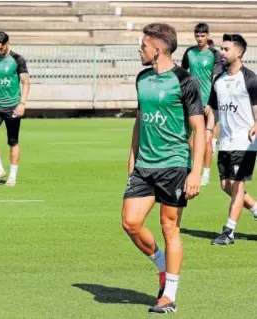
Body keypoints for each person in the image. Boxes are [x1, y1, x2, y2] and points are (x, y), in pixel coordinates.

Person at [122, 23, 205, 314]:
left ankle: (169, 295)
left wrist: (196, 172)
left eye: (143, 46)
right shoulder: (142, 79)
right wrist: (132, 157)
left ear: (158, 49)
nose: (139, 50)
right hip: (144, 165)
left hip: (174, 164)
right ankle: (161, 264)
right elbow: (139, 119)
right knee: (130, 223)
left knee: (170, 226)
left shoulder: (186, 81)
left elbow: (199, 128)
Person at [208, 34, 257, 245]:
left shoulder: (250, 79)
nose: (222, 53)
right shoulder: (218, 80)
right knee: (225, 185)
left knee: (237, 186)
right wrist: (209, 129)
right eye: (221, 48)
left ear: (239, 52)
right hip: (225, 141)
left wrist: (256, 125)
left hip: (245, 142)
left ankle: (229, 231)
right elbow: (214, 109)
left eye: (226, 49)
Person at [0, 31, 30, 186]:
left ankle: (13, 175)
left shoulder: (17, 60)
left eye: (1, 49)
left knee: (12, 141)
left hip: (13, 107)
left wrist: (22, 103)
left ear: (7, 43)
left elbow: (26, 82)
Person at [182, 23, 223, 186]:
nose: (200, 38)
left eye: (202, 35)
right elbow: (183, 74)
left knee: (206, 139)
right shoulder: (189, 52)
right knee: (187, 136)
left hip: (206, 103)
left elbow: (216, 79)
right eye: (197, 35)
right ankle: (192, 167)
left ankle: (206, 172)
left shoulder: (214, 54)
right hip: (190, 101)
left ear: (207, 35)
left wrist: (211, 102)